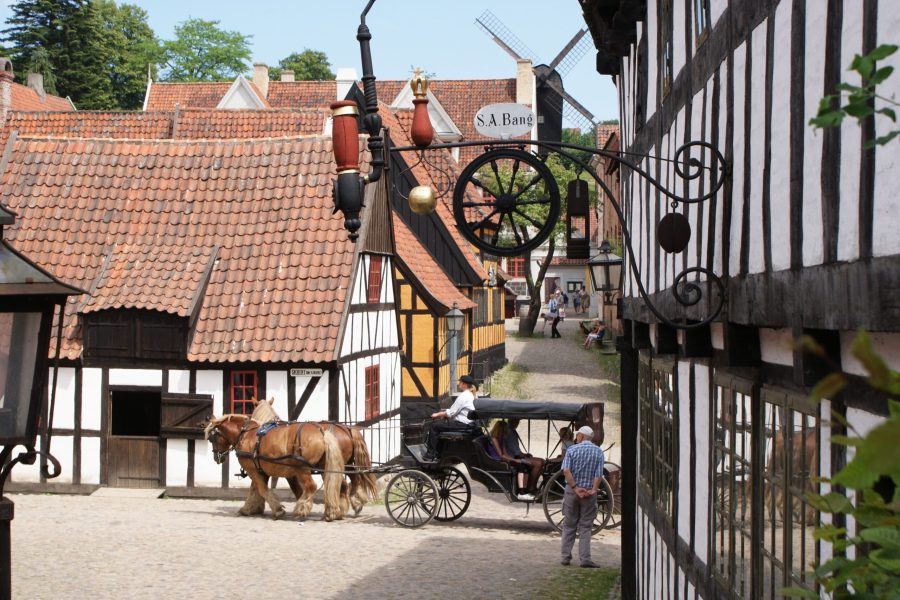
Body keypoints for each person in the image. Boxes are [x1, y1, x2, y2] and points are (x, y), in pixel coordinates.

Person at [560, 425, 605, 568]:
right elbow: (598, 475)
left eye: (577, 435)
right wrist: (593, 489)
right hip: (588, 493)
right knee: (586, 526)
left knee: (569, 525)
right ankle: (585, 558)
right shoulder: (598, 452)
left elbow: (566, 470)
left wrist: (575, 487)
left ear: (581, 436)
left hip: (572, 492)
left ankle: (565, 557)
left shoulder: (572, 450)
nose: (576, 437)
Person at [424, 375, 478, 460]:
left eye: (460, 382)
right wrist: (444, 415)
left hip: (462, 424)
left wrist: (437, 414)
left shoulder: (463, 396)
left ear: (464, 384)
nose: (458, 383)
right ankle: (439, 452)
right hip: (469, 424)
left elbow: (451, 413)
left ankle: (430, 454)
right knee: (440, 425)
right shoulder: (471, 395)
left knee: (434, 426)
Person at [487, 421, 531, 499]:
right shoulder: (494, 439)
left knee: (525, 465)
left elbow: (505, 453)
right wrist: (515, 460)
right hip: (498, 460)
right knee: (521, 466)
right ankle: (521, 492)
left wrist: (514, 459)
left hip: (504, 458)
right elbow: (501, 455)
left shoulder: (501, 439)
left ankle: (525, 489)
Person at [504, 419, 544, 500]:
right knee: (539, 462)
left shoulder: (510, 431)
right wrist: (524, 455)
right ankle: (531, 487)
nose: (517, 423)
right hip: (513, 457)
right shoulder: (510, 432)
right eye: (517, 421)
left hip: (515, 456)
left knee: (540, 461)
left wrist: (525, 455)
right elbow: (516, 452)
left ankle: (531, 486)